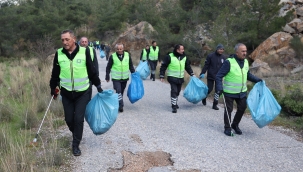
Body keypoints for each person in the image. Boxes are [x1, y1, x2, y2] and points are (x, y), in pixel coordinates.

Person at [49, 30, 103, 156]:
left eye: (67, 39)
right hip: (66, 93)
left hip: (83, 92)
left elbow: (91, 70)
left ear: (74, 39)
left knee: (78, 119)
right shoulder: (59, 54)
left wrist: (98, 85)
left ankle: (76, 144)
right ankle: (77, 133)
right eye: (62, 40)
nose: (64, 42)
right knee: (69, 119)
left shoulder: (84, 52)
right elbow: (55, 73)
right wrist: (53, 89)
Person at [215, 43, 262, 136]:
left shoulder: (245, 62)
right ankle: (227, 128)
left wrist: (258, 80)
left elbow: (248, 74)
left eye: (245, 51)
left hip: (241, 92)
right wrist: (219, 87)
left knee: (242, 108)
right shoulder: (229, 62)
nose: (245, 53)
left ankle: (235, 125)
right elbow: (219, 76)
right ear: (237, 52)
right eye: (243, 51)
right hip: (229, 92)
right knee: (229, 109)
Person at [160, 44, 194, 113]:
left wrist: (191, 73)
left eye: (183, 49)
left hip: (180, 78)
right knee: (174, 91)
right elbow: (163, 66)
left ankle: (174, 102)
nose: (183, 50)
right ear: (177, 50)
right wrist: (162, 75)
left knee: (178, 91)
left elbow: (187, 67)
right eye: (182, 49)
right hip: (172, 77)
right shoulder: (169, 56)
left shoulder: (184, 57)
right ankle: (174, 106)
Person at [105, 43, 135, 112]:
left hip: (124, 78)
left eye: (120, 49)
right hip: (116, 78)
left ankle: (118, 101)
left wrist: (133, 73)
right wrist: (107, 75)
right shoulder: (112, 56)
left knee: (121, 91)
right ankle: (121, 105)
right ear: (116, 49)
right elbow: (108, 67)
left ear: (123, 49)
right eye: (118, 49)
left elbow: (130, 65)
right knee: (118, 91)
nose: (119, 50)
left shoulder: (127, 55)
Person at [200, 44, 226, 110]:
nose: (221, 50)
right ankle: (204, 97)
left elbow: (225, 67)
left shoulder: (223, 57)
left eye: (222, 49)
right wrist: (202, 73)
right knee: (210, 89)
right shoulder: (210, 56)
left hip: (219, 76)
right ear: (217, 49)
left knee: (218, 91)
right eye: (220, 49)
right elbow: (206, 65)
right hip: (211, 75)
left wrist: (225, 74)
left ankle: (215, 104)